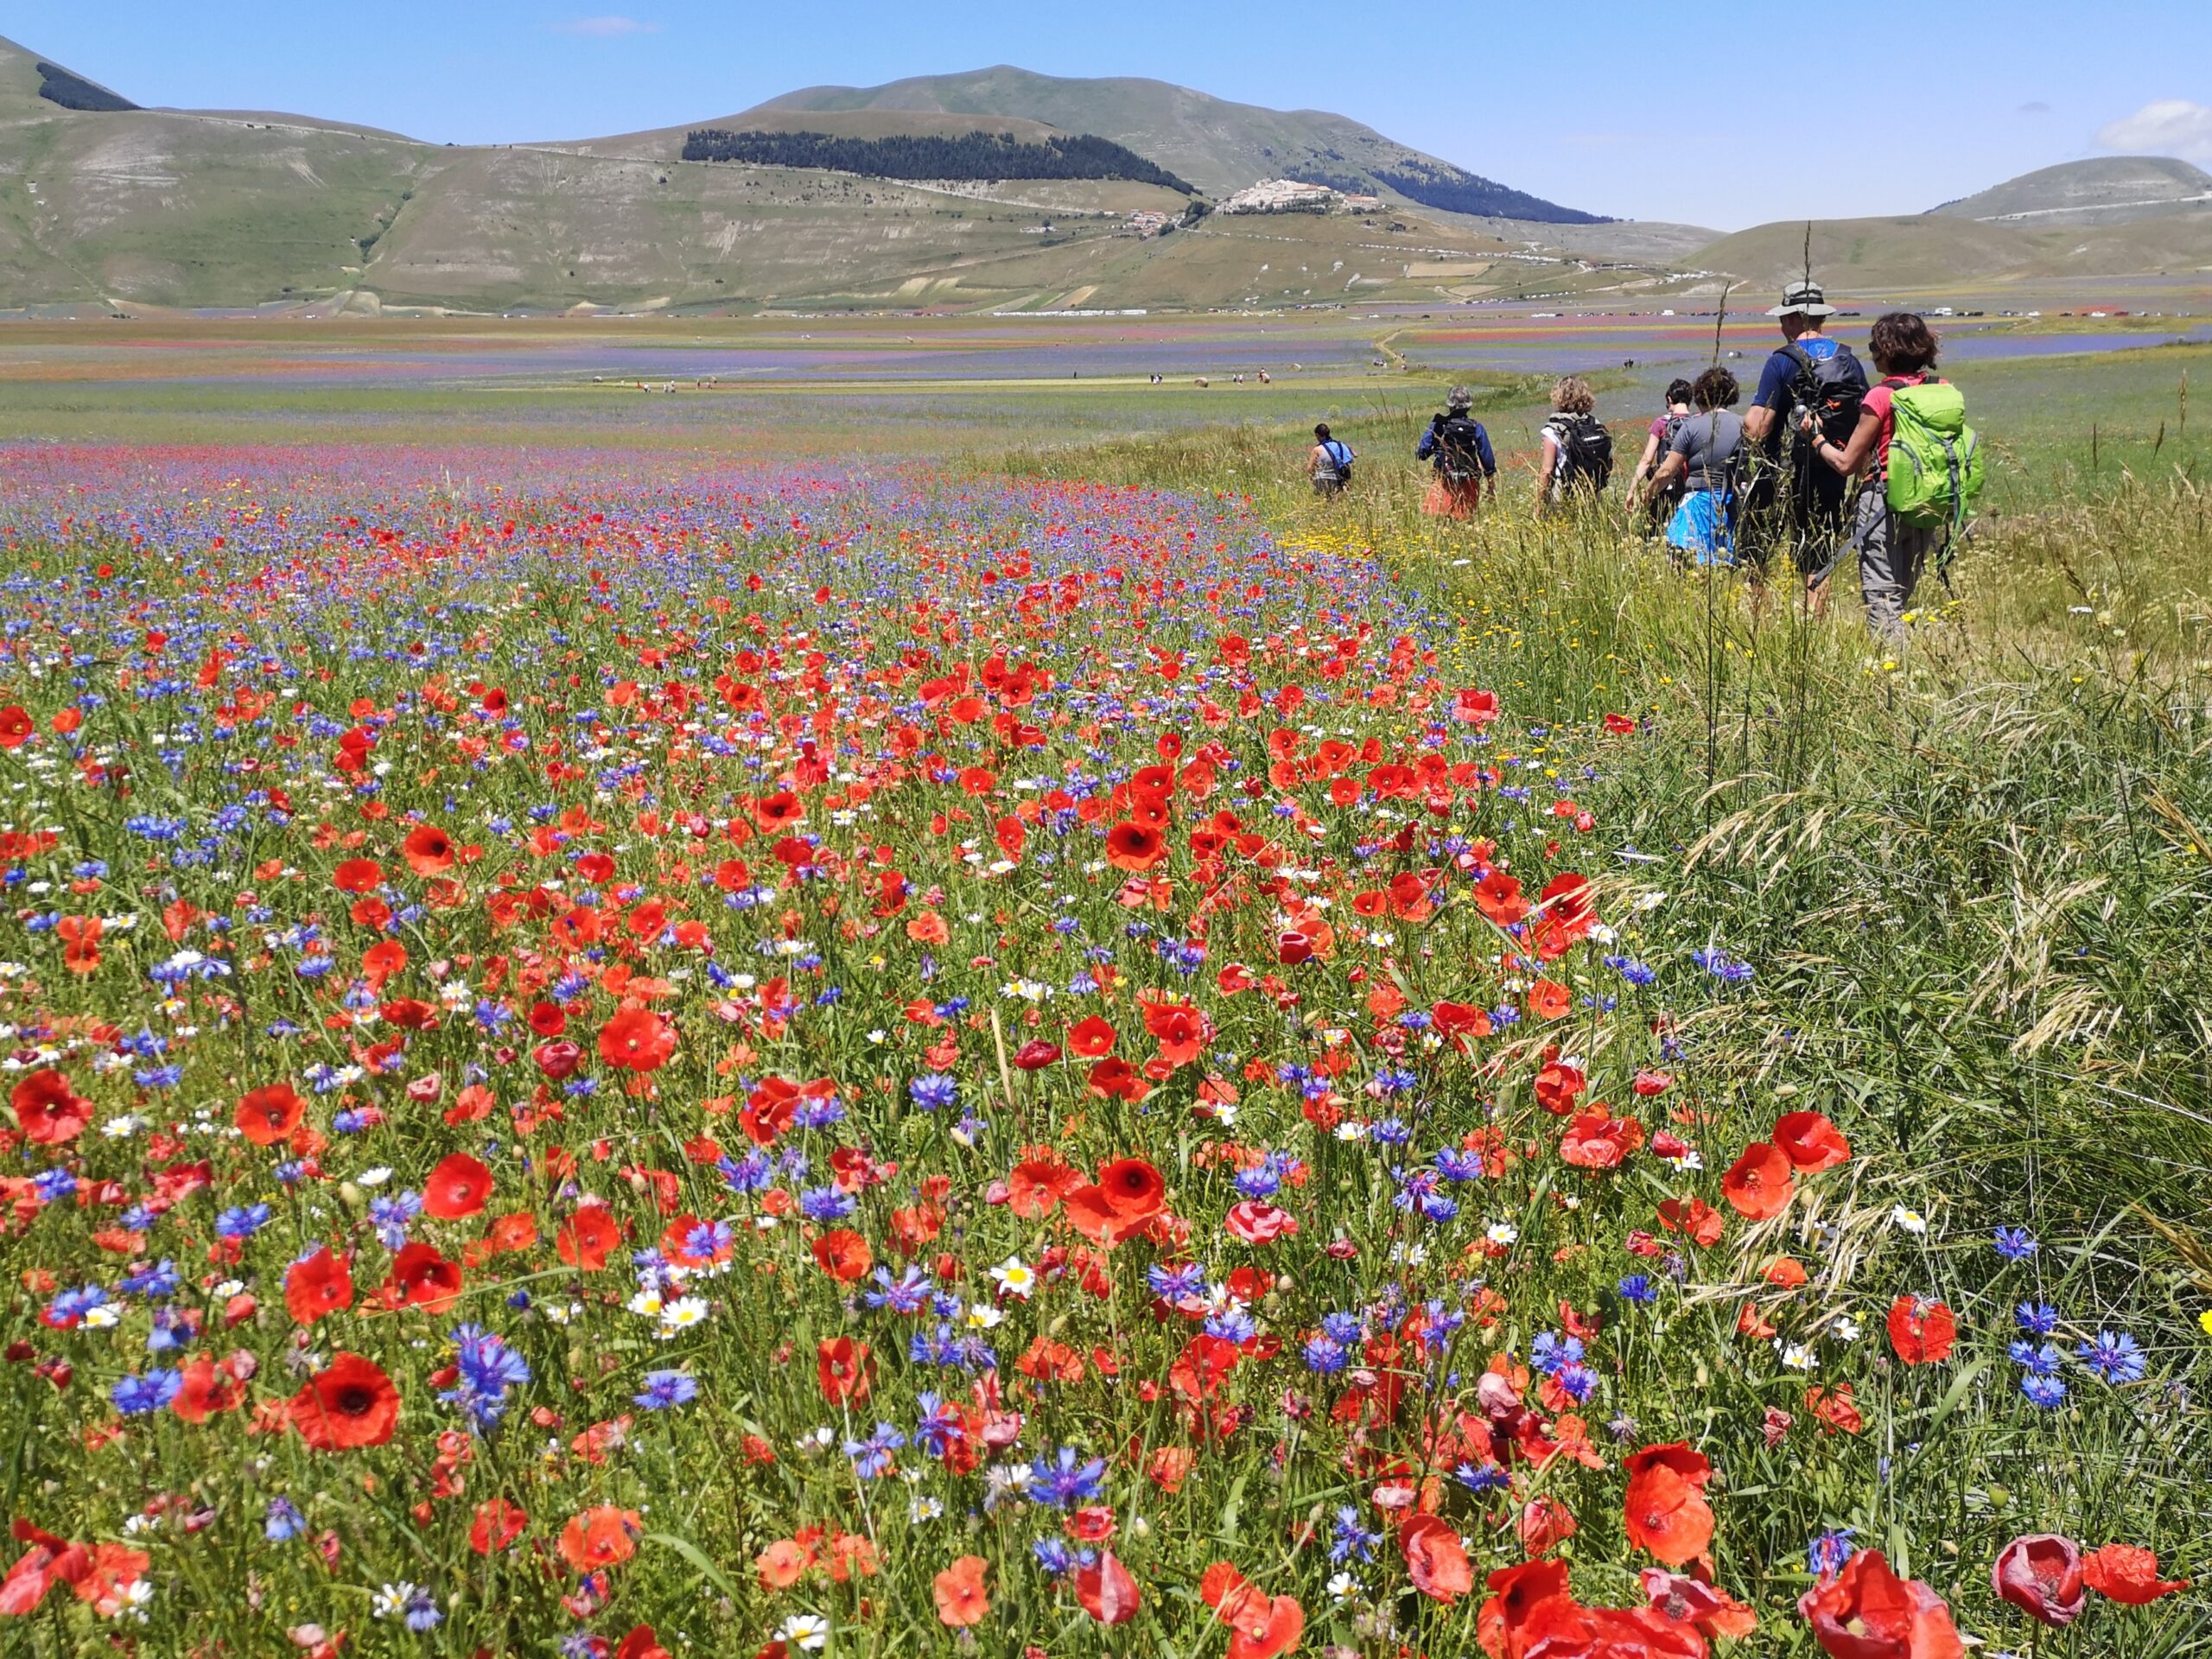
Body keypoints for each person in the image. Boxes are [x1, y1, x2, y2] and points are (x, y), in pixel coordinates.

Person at [1802, 311, 1975, 644]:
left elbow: (1846, 463)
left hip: (1881, 505)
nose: (1871, 353)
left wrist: (1816, 439)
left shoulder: (1881, 396)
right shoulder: (1942, 389)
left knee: (1883, 602)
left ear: (1887, 350)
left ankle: (1892, 680)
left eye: (1874, 346)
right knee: (1900, 598)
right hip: (1926, 504)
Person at [1741, 281, 1867, 595]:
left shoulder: (1782, 360)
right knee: (1818, 560)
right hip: (1830, 472)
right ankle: (1815, 628)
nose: (1781, 325)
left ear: (1796, 318)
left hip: (1780, 474)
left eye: (1783, 318)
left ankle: (1758, 625)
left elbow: (1759, 429)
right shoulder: (1849, 360)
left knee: (1759, 552)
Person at [1647, 366, 1744, 564]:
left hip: (1697, 502)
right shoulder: (1743, 424)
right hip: (1732, 502)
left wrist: (1647, 494)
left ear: (1700, 394)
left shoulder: (1692, 426)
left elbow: (1666, 471)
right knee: (1726, 561)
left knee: (1678, 559)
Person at [1628, 378, 1697, 532]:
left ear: (1669, 399)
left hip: (1664, 487)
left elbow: (1646, 460)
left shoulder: (1661, 423)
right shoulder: (1698, 423)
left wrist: (1632, 490)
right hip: (1691, 489)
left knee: (1656, 531)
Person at [1416, 386, 1496, 518]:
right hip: (1469, 480)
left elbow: (1423, 452)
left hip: (1443, 480)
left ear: (1449, 405)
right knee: (1465, 521)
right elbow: (1487, 459)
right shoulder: (1476, 427)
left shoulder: (1440, 424)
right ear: (1468, 406)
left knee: (1440, 521)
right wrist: (1491, 485)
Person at [1535, 377, 1613, 509]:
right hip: (1592, 489)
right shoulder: (1595, 424)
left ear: (1558, 397)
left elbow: (1546, 471)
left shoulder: (1553, 429)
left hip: (1564, 490)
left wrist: (1539, 506)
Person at [1308, 423, 1355, 496]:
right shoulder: (1340, 445)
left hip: (1321, 481)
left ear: (1317, 435)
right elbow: (1355, 455)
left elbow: (1309, 469)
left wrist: (1312, 476)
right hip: (1337, 480)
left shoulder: (1317, 449)